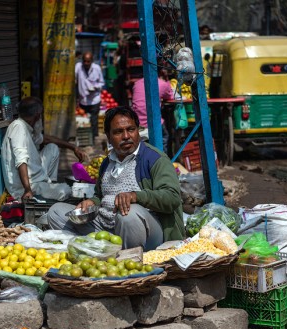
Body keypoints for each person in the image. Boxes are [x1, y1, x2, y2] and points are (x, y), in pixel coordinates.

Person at [48, 106, 185, 250]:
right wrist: (91, 201)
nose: (126, 136)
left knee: (129, 214)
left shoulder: (154, 159)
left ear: (138, 130)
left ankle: (128, 257)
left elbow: (172, 197)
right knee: (56, 212)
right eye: (118, 132)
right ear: (108, 136)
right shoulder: (107, 162)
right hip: (105, 227)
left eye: (131, 129)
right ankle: (93, 251)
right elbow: (101, 196)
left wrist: (136, 196)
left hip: (148, 232)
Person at [1, 97, 86, 200]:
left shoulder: (26, 126)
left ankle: (49, 186)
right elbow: (21, 160)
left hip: (36, 174)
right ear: (37, 116)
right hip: (27, 185)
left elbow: (44, 139)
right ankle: (48, 191)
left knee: (52, 148)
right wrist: (27, 190)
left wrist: (73, 147)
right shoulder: (18, 128)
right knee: (66, 190)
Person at [131, 69, 174, 154]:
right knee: (164, 137)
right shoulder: (162, 84)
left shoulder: (137, 84)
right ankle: (162, 160)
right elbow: (170, 96)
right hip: (153, 122)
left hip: (137, 121)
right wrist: (166, 79)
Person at [75, 51, 104, 141]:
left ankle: (94, 138)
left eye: (88, 61)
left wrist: (96, 87)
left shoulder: (97, 68)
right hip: (83, 99)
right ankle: (85, 137)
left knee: (94, 119)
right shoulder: (78, 67)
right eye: (84, 61)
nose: (86, 63)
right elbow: (75, 79)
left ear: (92, 61)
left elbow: (101, 82)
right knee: (83, 120)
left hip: (94, 99)